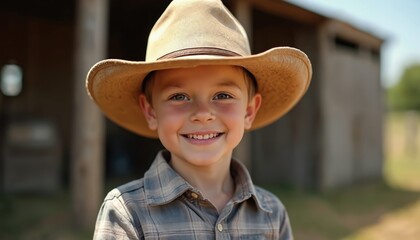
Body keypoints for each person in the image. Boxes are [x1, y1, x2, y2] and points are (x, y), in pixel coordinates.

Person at [87, 0, 312, 239]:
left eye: (223, 95)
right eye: (179, 96)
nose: (203, 113)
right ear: (151, 111)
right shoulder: (127, 212)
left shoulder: (271, 213)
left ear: (249, 111)